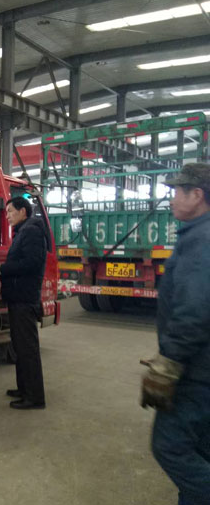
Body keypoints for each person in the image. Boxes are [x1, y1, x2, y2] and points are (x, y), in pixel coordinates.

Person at [141, 162, 210, 505]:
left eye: (177, 192)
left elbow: (194, 311)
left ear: (196, 195)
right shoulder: (198, 235)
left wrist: (167, 363)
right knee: (202, 448)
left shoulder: (201, 240)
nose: (171, 199)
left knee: (169, 446)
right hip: (202, 368)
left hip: (195, 373)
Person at [0, 196, 47, 410]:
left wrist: (1, 269)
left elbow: (31, 263)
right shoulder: (23, 231)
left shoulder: (32, 231)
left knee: (27, 349)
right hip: (18, 297)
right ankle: (24, 389)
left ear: (23, 211)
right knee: (19, 346)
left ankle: (34, 397)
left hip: (24, 299)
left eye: (10, 211)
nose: (7, 215)